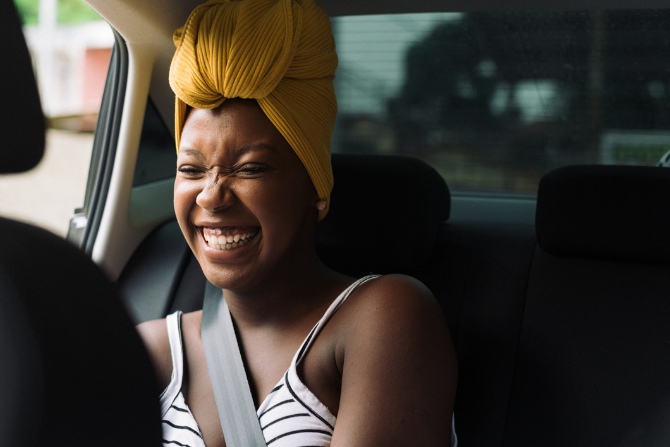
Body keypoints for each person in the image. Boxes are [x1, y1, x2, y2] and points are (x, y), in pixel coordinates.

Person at [137, 0, 458, 446]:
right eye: (191, 170)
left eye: (250, 169)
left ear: (314, 186)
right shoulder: (152, 349)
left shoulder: (382, 316)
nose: (211, 195)